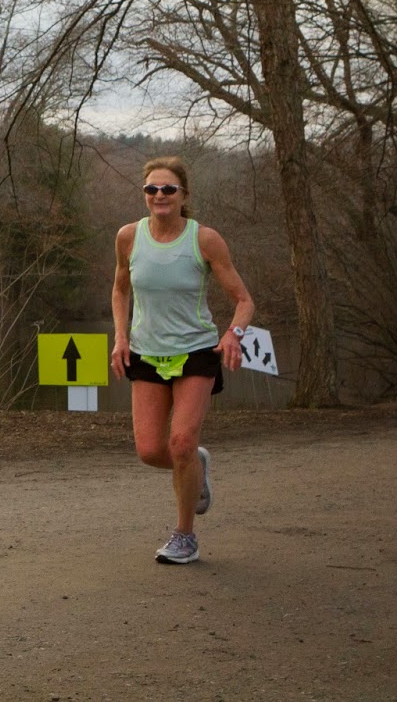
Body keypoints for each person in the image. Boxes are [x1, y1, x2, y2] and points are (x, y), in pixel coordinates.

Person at [111, 155, 255, 565]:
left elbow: (244, 301)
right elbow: (120, 290)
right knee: (151, 450)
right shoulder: (128, 237)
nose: (159, 195)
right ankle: (196, 464)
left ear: (183, 195)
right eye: (151, 189)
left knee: (180, 442)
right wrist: (121, 337)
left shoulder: (204, 239)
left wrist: (233, 334)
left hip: (196, 351)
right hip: (146, 352)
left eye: (168, 189)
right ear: (144, 195)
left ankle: (184, 536)